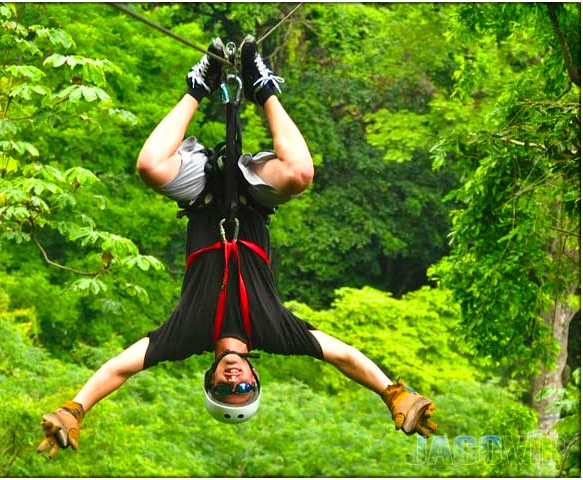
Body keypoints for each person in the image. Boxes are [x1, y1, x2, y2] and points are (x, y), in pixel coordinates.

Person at [37, 36, 437, 459]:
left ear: (209, 377)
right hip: (254, 196)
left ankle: (199, 83)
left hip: (202, 196)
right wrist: (392, 394)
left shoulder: (186, 336)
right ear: (255, 377)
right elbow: (345, 356)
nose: (234, 379)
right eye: (243, 387)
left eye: (224, 388)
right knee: (300, 173)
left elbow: (119, 368)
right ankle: (263, 87)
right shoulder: (276, 333)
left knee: (149, 166)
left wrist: (77, 407)